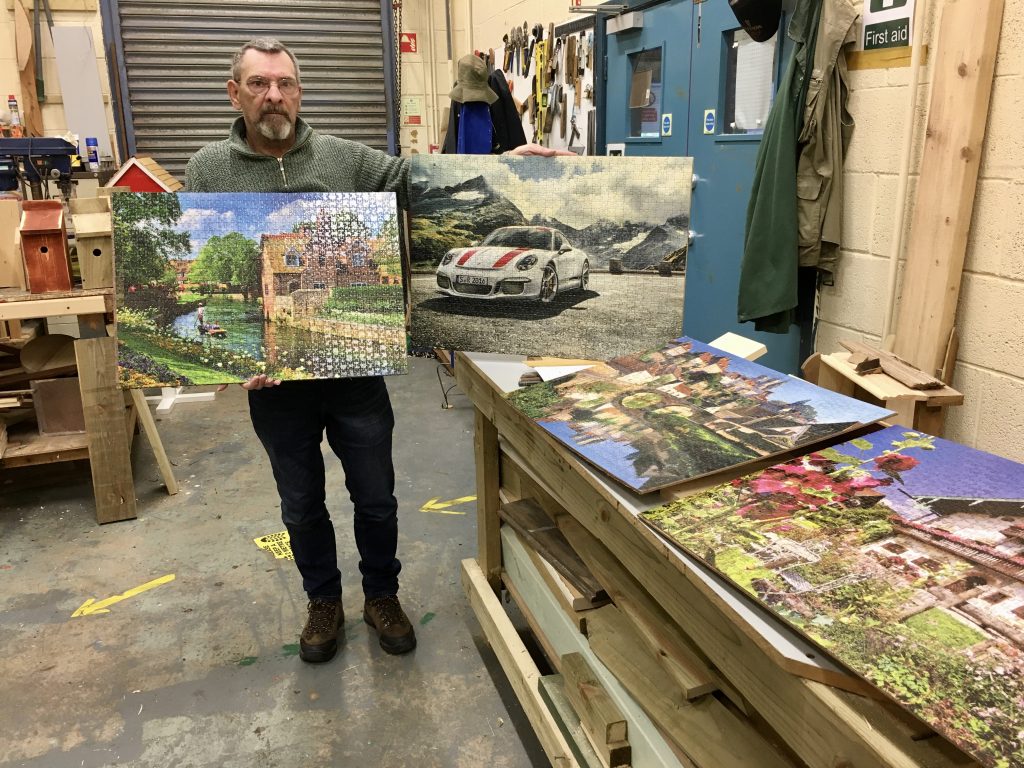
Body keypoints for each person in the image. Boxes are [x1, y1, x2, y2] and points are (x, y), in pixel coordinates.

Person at [185, 37, 566, 664]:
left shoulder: (345, 161)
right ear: (235, 93)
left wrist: (508, 160)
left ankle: (382, 595)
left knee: (377, 495)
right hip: (275, 386)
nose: (274, 95)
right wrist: (227, 361)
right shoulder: (207, 171)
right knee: (301, 503)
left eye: (285, 82)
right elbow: (202, 261)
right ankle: (323, 602)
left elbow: (422, 179)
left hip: (354, 371)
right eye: (258, 84)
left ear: (300, 91)